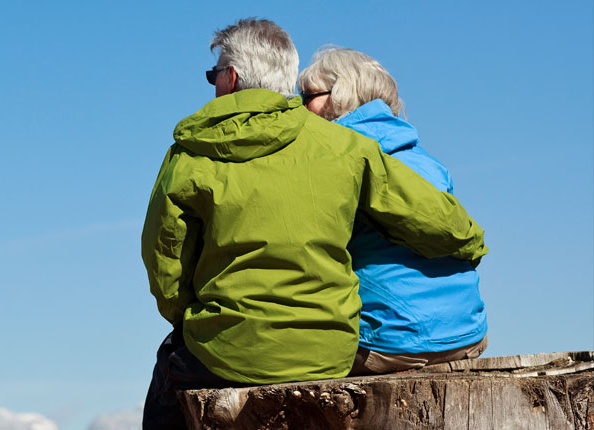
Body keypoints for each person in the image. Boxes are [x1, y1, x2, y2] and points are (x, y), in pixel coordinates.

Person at [140, 19, 487, 429]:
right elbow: (438, 220)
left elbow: (165, 259)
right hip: (330, 351)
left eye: (213, 75)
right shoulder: (346, 147)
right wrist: (473, 243)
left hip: (227, 349)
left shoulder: (188, 156)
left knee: (167, 379)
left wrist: (189, 317)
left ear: (230, 78)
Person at [298, 47, 489, 375]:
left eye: (308, 96)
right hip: (467, 335)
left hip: (387, 344)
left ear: (341, 95)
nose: (300, 107)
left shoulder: (334, 164)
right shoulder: (428, 162)